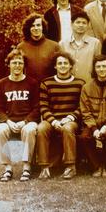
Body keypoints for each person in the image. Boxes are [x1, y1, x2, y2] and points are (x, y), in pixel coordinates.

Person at [0, 48, 39, 183]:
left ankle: (26, 167)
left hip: (27, 121)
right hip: (10, 122)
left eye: (20, 62)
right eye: (14, 63)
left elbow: (37, 108)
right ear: (9, 64)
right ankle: (8, 168)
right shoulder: (1, 84)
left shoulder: (32, 83)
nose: (17, 66)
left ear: (24, 65)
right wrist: (8, 122)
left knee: (29, 130)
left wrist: (25, 121)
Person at [36, 52, 84, 180]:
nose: (63, 66)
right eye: (60, 63)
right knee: (41, 128)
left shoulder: (80, 83)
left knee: (67, 128)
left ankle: (70, 166)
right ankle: (44, 167)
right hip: (52, 119)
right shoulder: (46, 83)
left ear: (70, 66)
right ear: (55, 66)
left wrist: (70, 118)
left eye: (65, 63)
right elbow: (43, 107)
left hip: (71, 120)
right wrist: (53, 122)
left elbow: (83, 107)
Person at [78, 55, 106, 177]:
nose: (101, 69)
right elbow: (85, 111)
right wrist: (94, 128)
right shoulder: (86, 88)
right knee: (84, 137)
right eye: (98, 66)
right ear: (94, 69)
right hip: (93, 123)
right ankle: (96, 166)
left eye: (104, 66)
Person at [58, 10, 101, 82]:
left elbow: (98, 65)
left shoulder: (95, 43)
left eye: (84, 23)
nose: (81, 25)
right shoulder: (62, 44)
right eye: (78, 22)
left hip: (88, 84)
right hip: (68, 85)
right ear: (71, 24)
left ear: (88, 25)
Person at [16, 13, 60, 82]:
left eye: (38, 25)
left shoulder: (55, 46)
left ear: (43, 27)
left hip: (49, 87)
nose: (36, 28)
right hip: (29, 87)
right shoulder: (21, 47)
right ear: (28, 28)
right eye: (33, 26)